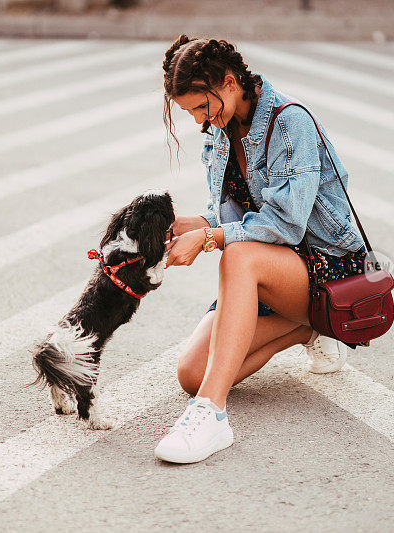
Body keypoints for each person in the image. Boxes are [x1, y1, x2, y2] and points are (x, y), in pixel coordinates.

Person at [154, 35, 370, 464]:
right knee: (191, 372)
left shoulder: (291, 122)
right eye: (191, 111)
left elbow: (285, 224)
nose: (199, 120)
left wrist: (212, 239)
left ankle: (212, 414)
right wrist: (189, 226)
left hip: (328, 266)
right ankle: (307, 328)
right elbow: (235, 214)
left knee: (238, 255)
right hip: (272, 269)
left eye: (202, 106)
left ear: (230, 83)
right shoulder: (221, 130)